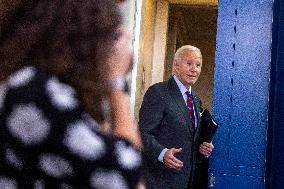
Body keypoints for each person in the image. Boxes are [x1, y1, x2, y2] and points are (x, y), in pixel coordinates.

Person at [0, 0, 142, 188]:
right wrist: (116, 82)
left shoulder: (42, 87)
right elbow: (122, 173)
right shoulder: (35, 91)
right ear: (80, 39)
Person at [139, 45, 214, 189]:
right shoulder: (158, 92)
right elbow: (142, 133)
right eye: (189, 63)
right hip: (160, 181)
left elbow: (189, 138)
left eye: (198, 65)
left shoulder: (196, 100)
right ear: (176, 65)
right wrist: (162, 153)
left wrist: (202, 147)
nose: (194, 69)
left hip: (188, 182)